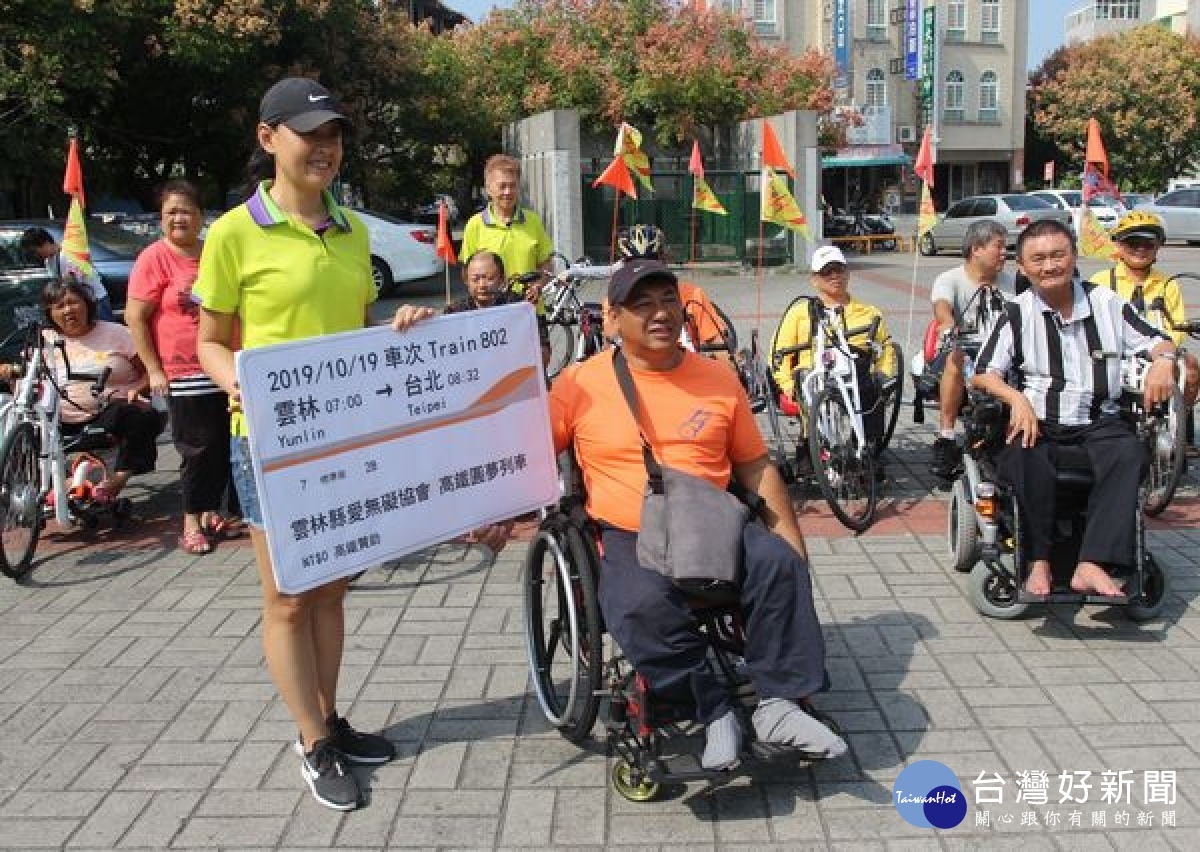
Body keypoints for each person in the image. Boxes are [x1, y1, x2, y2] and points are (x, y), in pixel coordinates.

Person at [193, 76, 438, 812]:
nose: (324, 147)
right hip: (267, 441)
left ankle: (330, 718)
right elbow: (208, 341)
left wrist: (399, 333)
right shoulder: (234, 232)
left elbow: (356, 333)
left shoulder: (354, 229)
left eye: (332, 134)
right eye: (308, 134)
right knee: (290, 597)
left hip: (343, 440)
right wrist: (234, 378)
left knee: (333, 587)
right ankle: (310, 741)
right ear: (269, 140)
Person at [549, 258, 846, 771]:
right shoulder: (578, 384)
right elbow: (520, 455)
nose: (660, 313)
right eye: (642, 304)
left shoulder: (717, 377)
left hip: (710, 520)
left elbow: (754, 465)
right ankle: (713, 709)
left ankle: (776, 704)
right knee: (640, 602)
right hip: (629, 529)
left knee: (777, 565)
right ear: (612, 318)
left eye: (668, 300)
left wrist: (791, 543)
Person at [973, 219, 1176, 598]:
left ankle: (1093, 563)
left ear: (1074, 256)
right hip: (1040, 420)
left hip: (1100, 420)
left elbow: (1159, 341)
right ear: (1023, 267)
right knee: (1021, 456)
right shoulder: (1016, 313)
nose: (1049, 266)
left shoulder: (1108, 304)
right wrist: (1016, 399)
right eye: (1038, 259)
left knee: (1130, 453)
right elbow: (983, 374)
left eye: (1057, 255)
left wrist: (1165, 362)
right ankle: (1038, 562)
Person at [126, 179, 242, 555]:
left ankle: (215, 511)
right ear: (160, 218)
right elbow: (136, 318)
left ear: (200, 216)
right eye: (171, 211)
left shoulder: (213, 253)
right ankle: (191, 520)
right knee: (198, 447)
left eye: (187, 210)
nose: (179, 218)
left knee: (230, 441)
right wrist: (154, 370)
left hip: (225, 363)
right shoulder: (153, 258)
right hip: (184, 369)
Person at [770, 246, 898, 469]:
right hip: (812, 374)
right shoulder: (799, 313)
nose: (834, 276)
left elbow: (885, 347)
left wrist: (883, 373)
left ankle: (867, 445)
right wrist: (787, 385)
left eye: (839, 270)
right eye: (827, 272)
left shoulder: (869, 312)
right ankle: (811, 443)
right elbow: (778, 353)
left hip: (855, 371)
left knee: (871, 385)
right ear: (814, 280)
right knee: (807, 386)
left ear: (847, 273)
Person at [41, 279, 161, 502]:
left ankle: (115, 482)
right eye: (59, 306)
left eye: (73, 303)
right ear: (50, 313)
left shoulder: (117, 334)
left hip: (109, 411)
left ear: (87, 304)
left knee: (140, 415)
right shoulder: (46, 341)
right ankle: (56, 485)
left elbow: (151, 371)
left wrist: (138, 388)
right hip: (60, 419)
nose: (68, 310)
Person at [928, 219, 1015, 479]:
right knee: (956, 357)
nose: (1004, 253)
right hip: (966, 351)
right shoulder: (950, 279)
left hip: (1004, 354)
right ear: (976, 249)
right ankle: (946, 436)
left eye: (1005, 247)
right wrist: (948, 325)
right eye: (998, 246)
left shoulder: (1011, 282)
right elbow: (942, 310)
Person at [1091, 210, 1200, 414]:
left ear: (1158, 247)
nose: (1140, 250)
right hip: (1113, 353)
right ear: (1119, 246)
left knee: (1191, 367)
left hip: (1157, 353)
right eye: (1133, 243)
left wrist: (1160, 352)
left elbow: (1176, 327)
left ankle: (1181, 426)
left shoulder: (1168, 284)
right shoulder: (1101, 281)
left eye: (1148, 244)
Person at [612, 224, 732, 352]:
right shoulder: (615, 300)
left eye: (651, 263)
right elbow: (610, 345)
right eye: (634, 265)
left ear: (664, 261)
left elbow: (719, 347)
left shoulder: (691, 294)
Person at [459, 154, 553, 305]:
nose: (508, 192)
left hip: (530, 312)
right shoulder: (475, 225)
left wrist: (538, 286)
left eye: (513, 185)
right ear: (489, 189)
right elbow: (469, 274)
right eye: (502, 186)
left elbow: (546, 265)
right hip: (493, 314)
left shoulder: (533, 221)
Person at [446, 250, 551, 365]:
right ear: (466, 280)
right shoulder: (454, 313)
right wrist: (423, 320)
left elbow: (545, 355)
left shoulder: (520, 307)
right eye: (475, 279)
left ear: (502, 279)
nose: (482, 285)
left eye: (489, 278)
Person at [20, 227, 114, 321]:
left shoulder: (69, 253)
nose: (36, 255)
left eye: (35, 251)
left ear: (45, 243)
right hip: (80, 302)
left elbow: (72, 282)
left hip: (95, 300)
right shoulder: (49, 261)